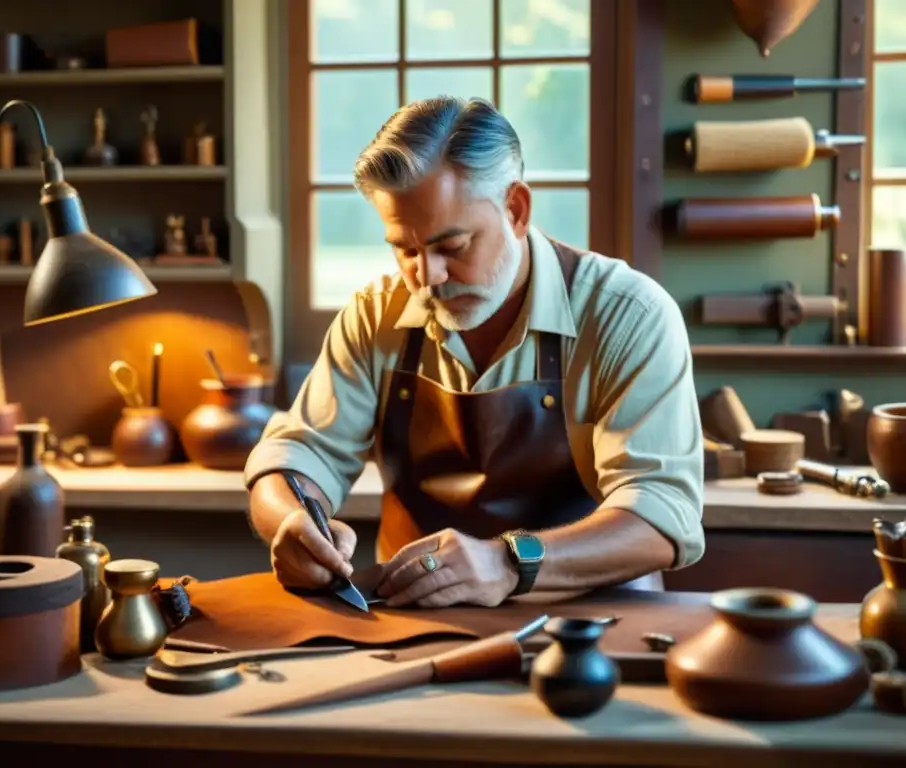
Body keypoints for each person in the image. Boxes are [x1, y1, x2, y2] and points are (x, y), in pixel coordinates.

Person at [246, 96, 703, 609]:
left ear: (516, 209)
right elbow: (297, 454)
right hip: (412, 623)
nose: (427, 276)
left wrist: (509, 561)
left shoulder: (628, 314)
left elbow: (663, 515)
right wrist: (291, 518)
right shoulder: (375, 316)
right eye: (405, 249)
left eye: (453, 246)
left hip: (592, 627)